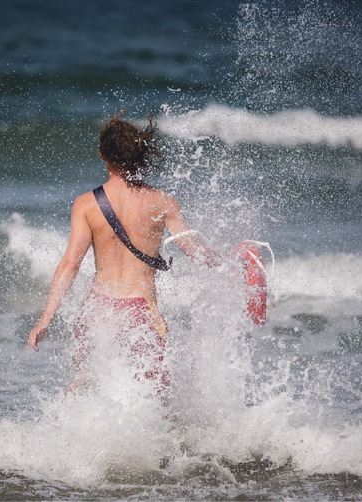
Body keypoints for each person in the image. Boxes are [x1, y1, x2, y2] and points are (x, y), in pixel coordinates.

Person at [26, 112, 221, 397]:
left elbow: (70, 264)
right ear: (139, 155)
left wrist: (44, 321)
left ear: (102, 155)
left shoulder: (86, 205)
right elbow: (197, 253)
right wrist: (234, 261)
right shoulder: (162, 202)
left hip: (98, 312)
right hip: (142, 312)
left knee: (85, 386)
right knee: (155, 397)